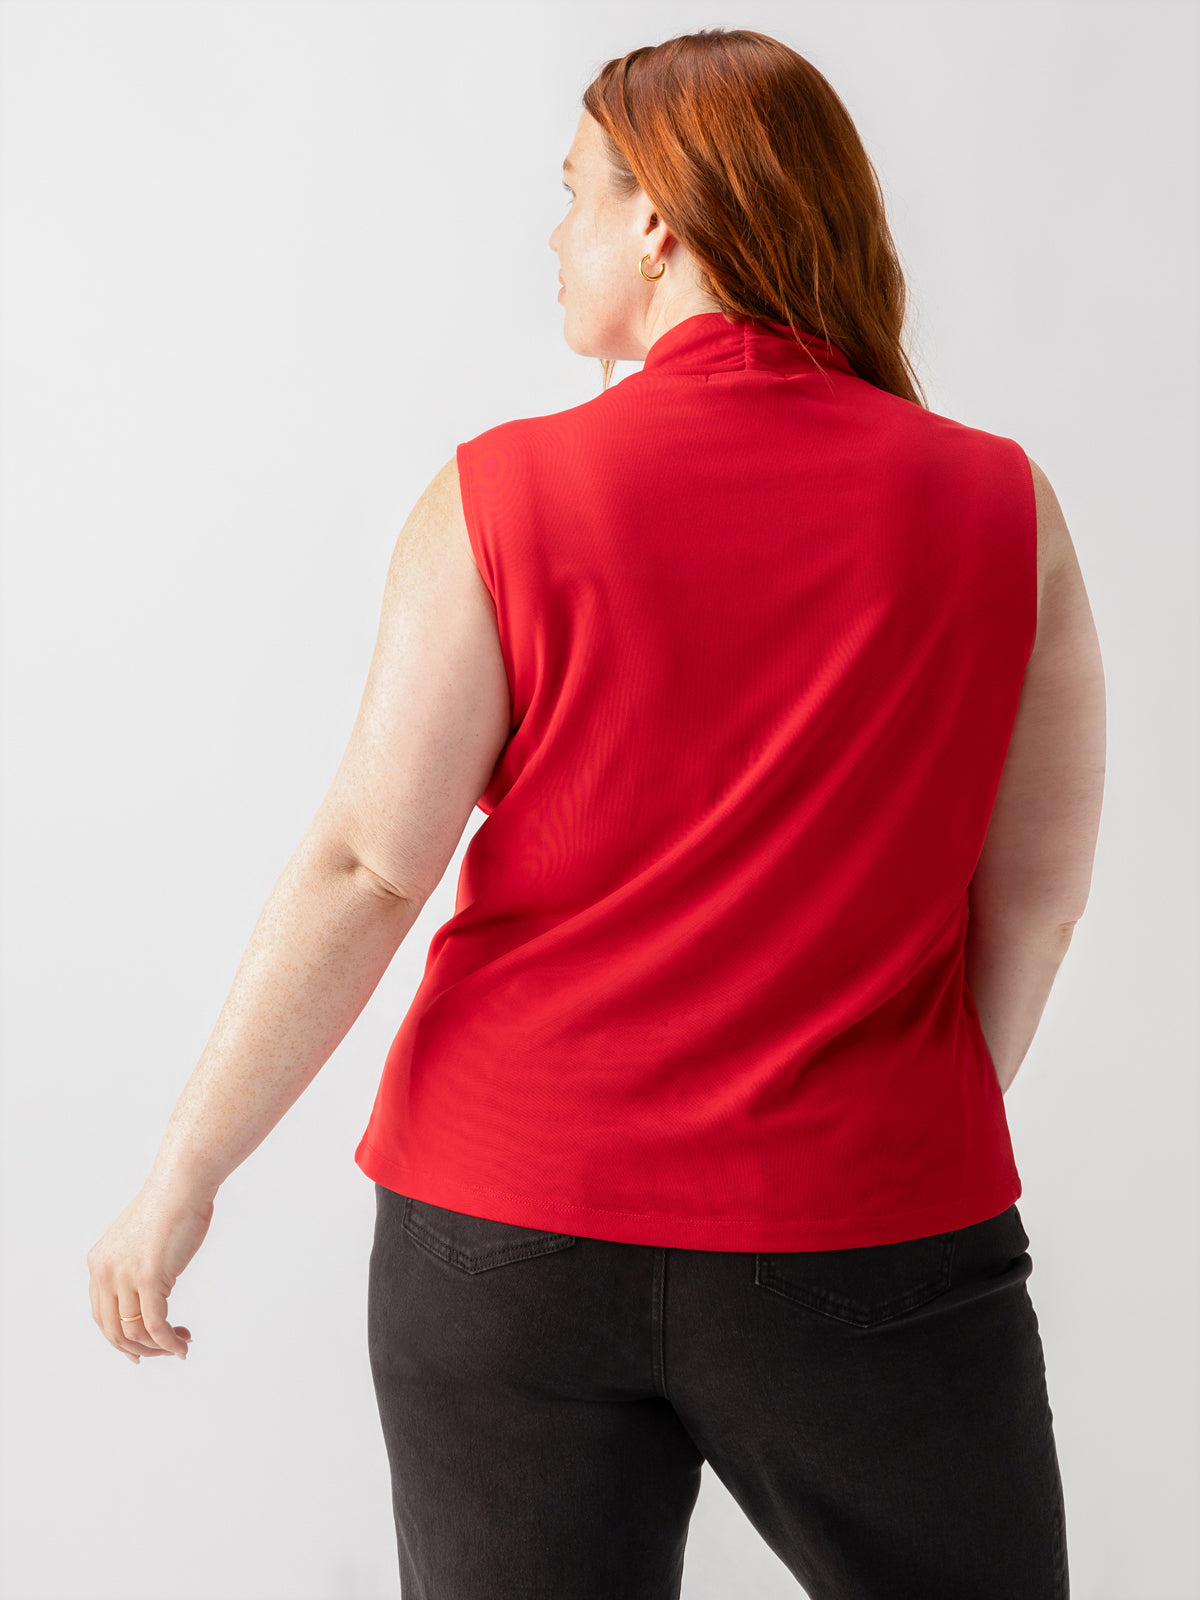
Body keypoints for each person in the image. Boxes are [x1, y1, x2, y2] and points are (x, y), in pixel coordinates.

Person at [87, 26, 1104, 1600]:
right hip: (866, 1228)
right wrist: (884, 1137)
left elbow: (366, 865)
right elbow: (1033, 896)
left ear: (658, 225)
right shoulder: (998, 504)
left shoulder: (503, 496)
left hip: (502, 1230)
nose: (552, 232)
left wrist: (183, 1171)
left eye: (571, 193)